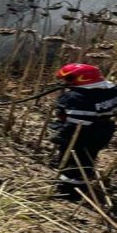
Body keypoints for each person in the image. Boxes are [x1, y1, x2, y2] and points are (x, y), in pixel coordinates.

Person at [50, 63, 117, 203]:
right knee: (87, 158)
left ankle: (69, 192)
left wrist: (61, 135)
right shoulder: (110, 90)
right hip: (104, 130)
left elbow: (78, 122)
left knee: (73, 161)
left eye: (68, 79)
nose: (64, 82)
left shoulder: (77, 98)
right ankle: (81, 180)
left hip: (82, 133)